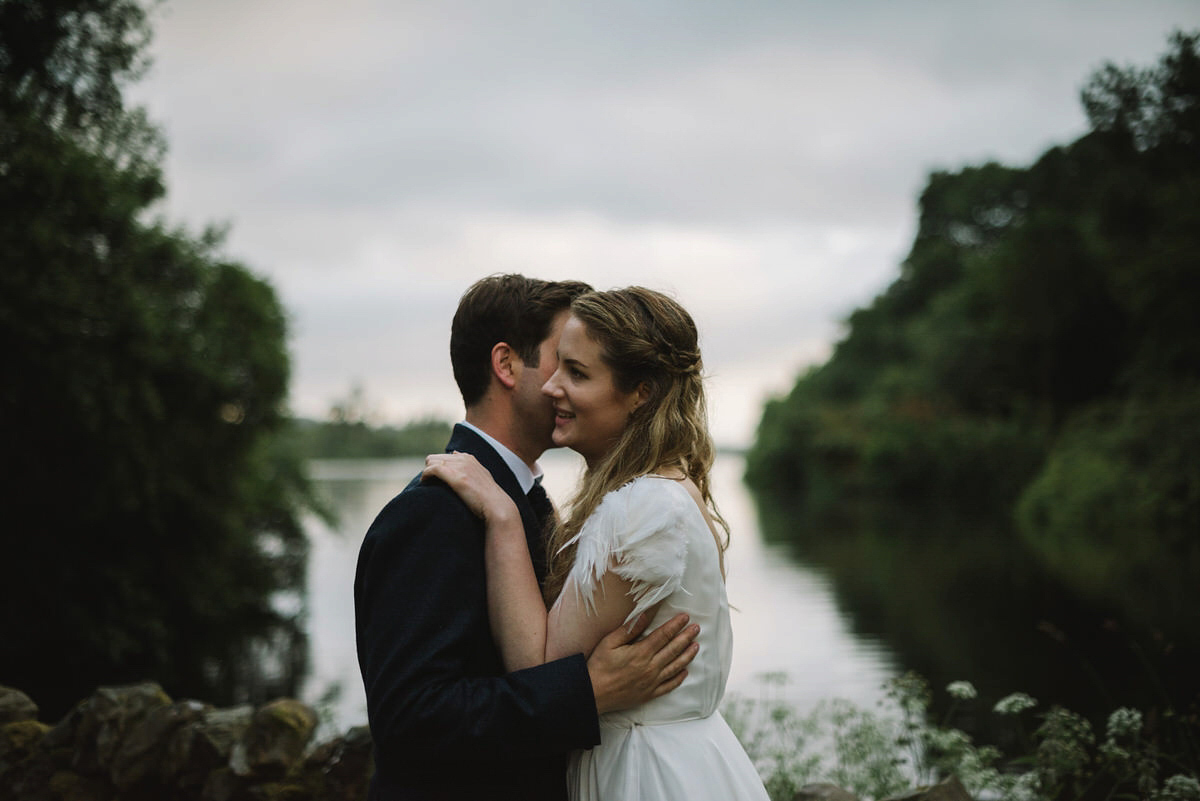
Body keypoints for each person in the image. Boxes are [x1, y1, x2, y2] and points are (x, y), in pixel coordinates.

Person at [354, 275, 702, 801]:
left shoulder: (526, 503)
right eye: (560, 360)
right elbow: (409, 719)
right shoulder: (432, 514)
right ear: (507, 365)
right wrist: (588, 693)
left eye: (578, 368)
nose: (564, 382)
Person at [424, 287, 770, 800]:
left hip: (648, 776)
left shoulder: (643, 510)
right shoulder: (669, 490)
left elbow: (538, 672)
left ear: (641, 393)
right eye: (556, 366)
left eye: (577, 373)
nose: (551, 387)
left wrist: (501, 517)